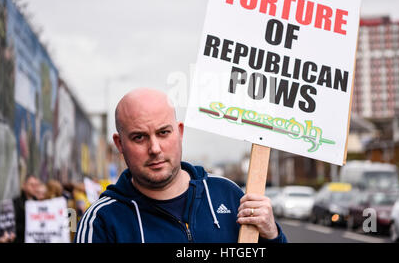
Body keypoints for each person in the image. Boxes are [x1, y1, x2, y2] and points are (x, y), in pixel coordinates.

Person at [75, 88, 286, 243]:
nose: (155, 148)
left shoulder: (228, 196)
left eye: (163, 133)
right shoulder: (101, 221)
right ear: (120, 144)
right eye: (139, 137)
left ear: (180, 132)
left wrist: (272, 235)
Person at [12, 175, 41, 243]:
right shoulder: (16, 203)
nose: (35, 187)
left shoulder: (39, 203)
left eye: (36, 185)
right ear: (24, 186)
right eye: (31, 185)